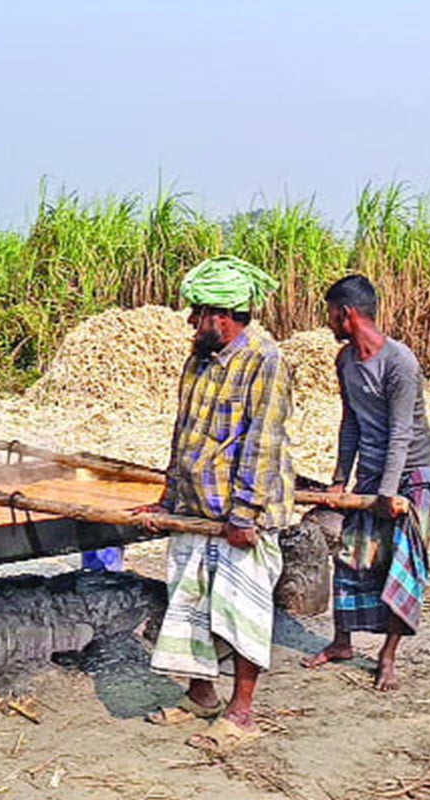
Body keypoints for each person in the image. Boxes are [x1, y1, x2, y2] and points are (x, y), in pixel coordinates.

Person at [138, 255, 294, 756]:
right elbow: (183, 435)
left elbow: (263, 443)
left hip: (238, 516)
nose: (190, 322)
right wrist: (167, 500)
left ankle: (241, 713)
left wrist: (244, 514)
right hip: (196, 508)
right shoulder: (198, 360)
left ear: (221, 315)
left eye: (196, 312)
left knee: (240, 609)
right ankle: (201, 695)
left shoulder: (264, 361)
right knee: (191, 603)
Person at [303, 275, 430, 691]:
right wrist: (340, 481)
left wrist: (388, 492)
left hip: (413, 472)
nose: (328, 323)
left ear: (347, 314)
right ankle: (341, 642)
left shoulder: (400, 362)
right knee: (352, 556)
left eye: (330, 314)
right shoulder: (345, 361)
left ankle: (388, 655)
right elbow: (351, 424)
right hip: (371, 474)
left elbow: (401, 432)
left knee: (404, 562)